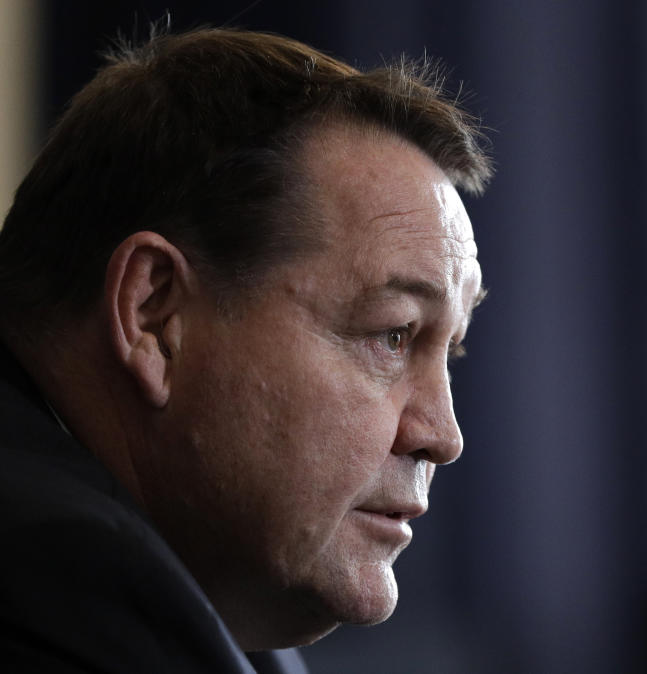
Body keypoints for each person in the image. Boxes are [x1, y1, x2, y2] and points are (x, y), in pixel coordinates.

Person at [0, 27, 491, 673]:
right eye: (392, 335)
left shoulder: (191, 602)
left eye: (449, 349)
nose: (443, 435)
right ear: (155, 314)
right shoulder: (69, 591)